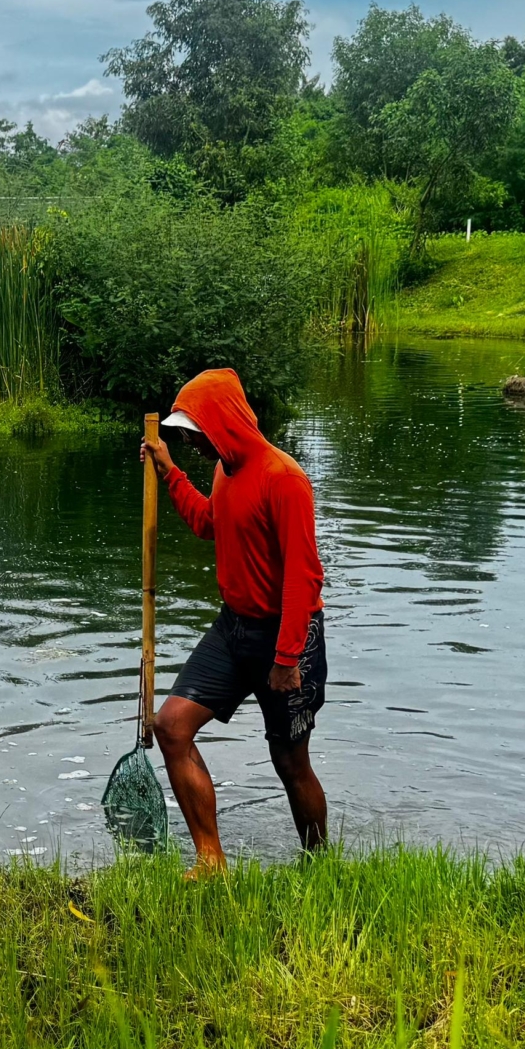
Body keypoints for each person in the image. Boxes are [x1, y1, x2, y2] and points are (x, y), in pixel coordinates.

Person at [139, 367, 329, 874]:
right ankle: (211, 860)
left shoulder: (283, 478)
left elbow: (303, 578)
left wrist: (287, 658)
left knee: (290, 763)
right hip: (234, 628)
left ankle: (319, 867)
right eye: (185, 436)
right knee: (171, 728)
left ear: (224, 424)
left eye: (195, 434)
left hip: (288, 637)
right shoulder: (225, 469)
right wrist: (170, 471)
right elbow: (208, 524)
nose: (192, 443)